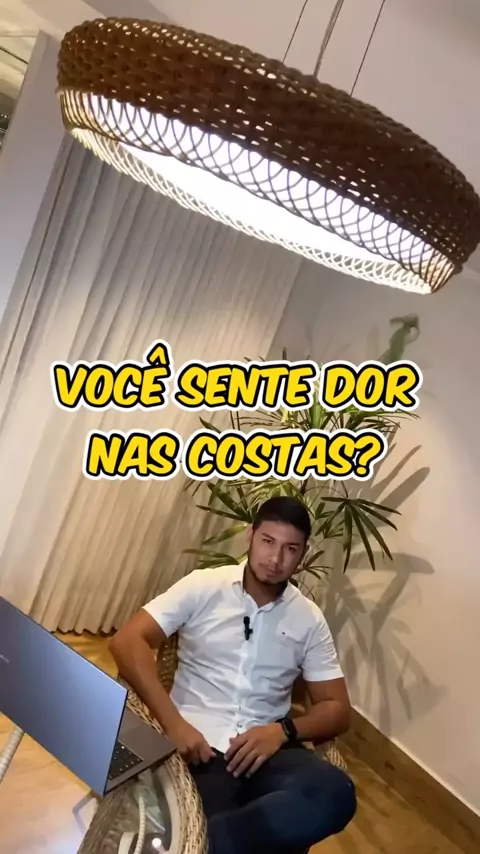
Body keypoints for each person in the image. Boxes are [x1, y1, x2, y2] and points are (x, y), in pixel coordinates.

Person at [109, 496, 357, 853]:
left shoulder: (309, 619)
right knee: (252, 822)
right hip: (200, 751)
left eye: (290, 549)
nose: (275, 558)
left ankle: (202, 845)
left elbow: (337, 708)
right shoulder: (204, 586)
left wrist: (282, 731)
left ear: (303, 554)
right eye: (268, 541)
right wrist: (174, 723)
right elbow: (127, 641)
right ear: (250, 536)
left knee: (336, 793)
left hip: (269, 750)